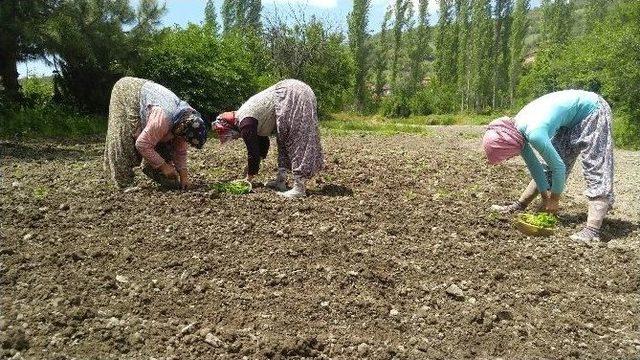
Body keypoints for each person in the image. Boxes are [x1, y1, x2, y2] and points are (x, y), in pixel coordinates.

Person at [482, 90, 614, 242]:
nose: (511, 157)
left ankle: (593, 230)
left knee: (596, 166)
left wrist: (554, 199)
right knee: (548, 167)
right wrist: (546, 197)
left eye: (508, 155)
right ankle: (519, 205)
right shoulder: (514, 132)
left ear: (507, 145)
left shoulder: (534, 133)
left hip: (592, 110)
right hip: (570, 119)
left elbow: (559, 168)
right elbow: (535, 167)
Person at [213, 79, 324, 198]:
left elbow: (253, 152)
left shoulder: (245, 122)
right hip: (293, 91)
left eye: (231, 135)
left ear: (230, 127)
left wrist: (248, 178)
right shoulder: (246, 117)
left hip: (291, 94)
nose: (234, 138)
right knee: (283, 139)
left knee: (296, 138)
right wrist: (253, 164)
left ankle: (299, 187)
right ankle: (281, 181)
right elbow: (263, 143)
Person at [103, 77, 208, 190]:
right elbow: (142, 144)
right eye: (184, 137)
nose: (183, 140)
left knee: (165, 143)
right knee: (123, 138)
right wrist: (163, 166)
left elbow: (180, 151)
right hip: (127, 92)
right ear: (182, 128)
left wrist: (184, 177)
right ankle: (124, 184)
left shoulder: (187, 120)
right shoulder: (164, 119)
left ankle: (152, 169)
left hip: (153, 104)